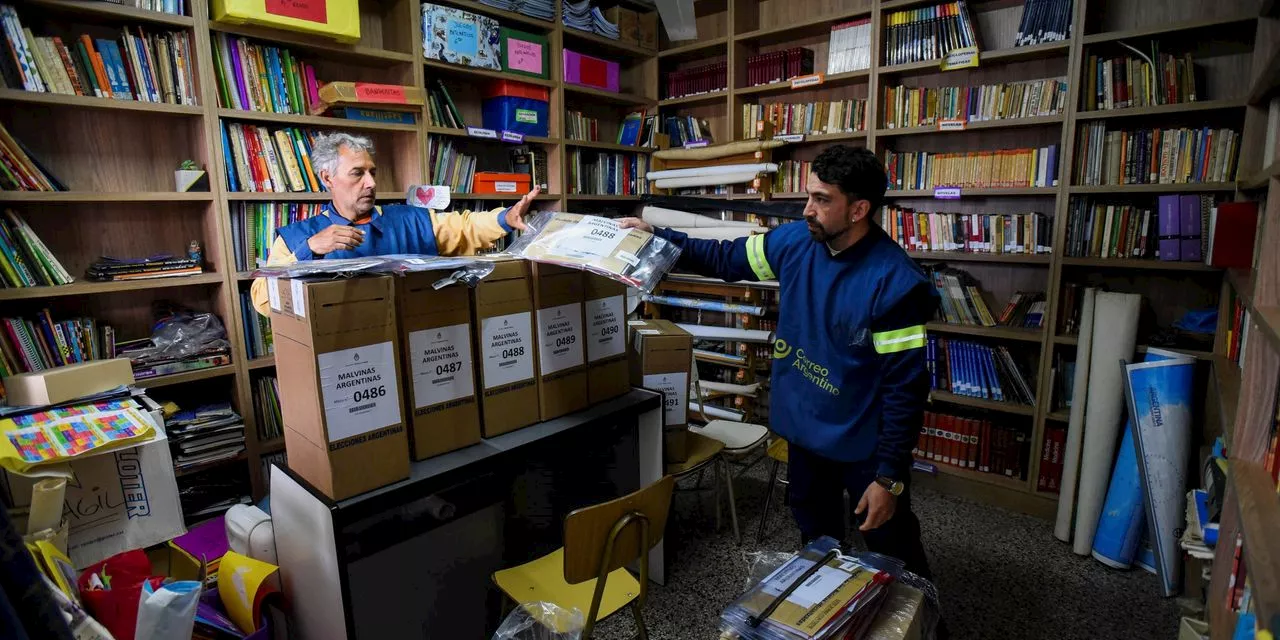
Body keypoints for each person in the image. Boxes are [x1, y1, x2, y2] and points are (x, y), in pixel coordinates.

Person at [618, 145, 939, 580]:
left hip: (864, 445)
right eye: (809, 196)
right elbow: (724, 259)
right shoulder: (795, 241)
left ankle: (926, 621)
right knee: (818, 544)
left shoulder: (896, 284)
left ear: (860, 208)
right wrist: (656, 236)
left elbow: (906, 387)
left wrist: (889, 479)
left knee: (892, 544)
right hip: (806, 436)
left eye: (822, 200)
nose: (807, 209)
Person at [250, 132, 541, 316]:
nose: (371, 182)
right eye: (357, 173)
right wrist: (308, 251)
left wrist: (504, 218)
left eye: (372, 172)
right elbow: (263, 301)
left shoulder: (410, 218)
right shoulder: (297, 237)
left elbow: (463, 227)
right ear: (328, 178)